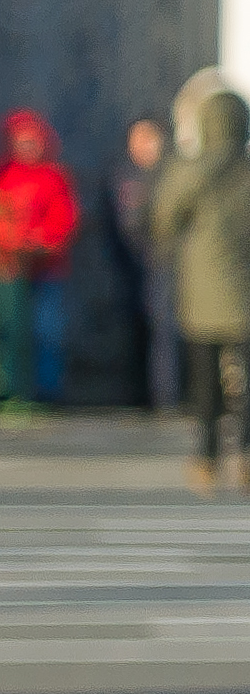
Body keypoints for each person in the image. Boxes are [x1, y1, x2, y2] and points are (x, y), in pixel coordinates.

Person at [150, 87, 250, 493]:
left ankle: (207, 458)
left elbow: (163, 218)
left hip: (203, 294)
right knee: (245, 380)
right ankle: (245, 455)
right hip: (245, 291)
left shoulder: (191, 171)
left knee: (205, 382)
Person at [0, 109, 79, 407]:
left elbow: (64, 219)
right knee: (9, 330)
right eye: (21, 141)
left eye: (33, 141)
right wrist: (9, 243)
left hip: (46, 268)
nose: (28, 147)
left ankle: (47, 392)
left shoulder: (55, 177)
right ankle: (11, 389)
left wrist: (41, 240)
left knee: (46, 331)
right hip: (9, 267)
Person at [113, 115, 178, 417]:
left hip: (164, 263)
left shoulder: (171, 173)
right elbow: (119, 224)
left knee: (164, 332)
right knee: (136, 330)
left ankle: (164, 398)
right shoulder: (123, 174)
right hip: (131, 265)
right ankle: (138, 396)